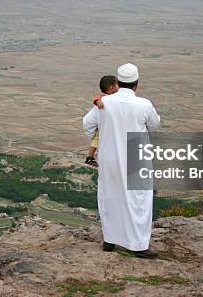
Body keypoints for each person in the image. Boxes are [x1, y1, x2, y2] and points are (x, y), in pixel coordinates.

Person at [82, 63, 161, 258]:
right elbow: (155, 125)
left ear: (118, 82)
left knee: (110, 197)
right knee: (139, 201)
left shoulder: (104, 103)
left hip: (109, 159)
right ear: (136, 84)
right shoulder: (144, 104)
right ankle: (139, 245)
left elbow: (87, 124)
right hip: (135, 158)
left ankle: (110, 240)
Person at [85, 75, 118, 167]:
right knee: (96, 140)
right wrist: (98, 102)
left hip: (102, 125)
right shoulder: (104, 97)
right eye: (117, 85)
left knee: (98, 140)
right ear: (111, 88)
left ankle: (90, 157)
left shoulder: (111, 97)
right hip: (100, 127)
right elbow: (96, 98)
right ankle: (89, 157)